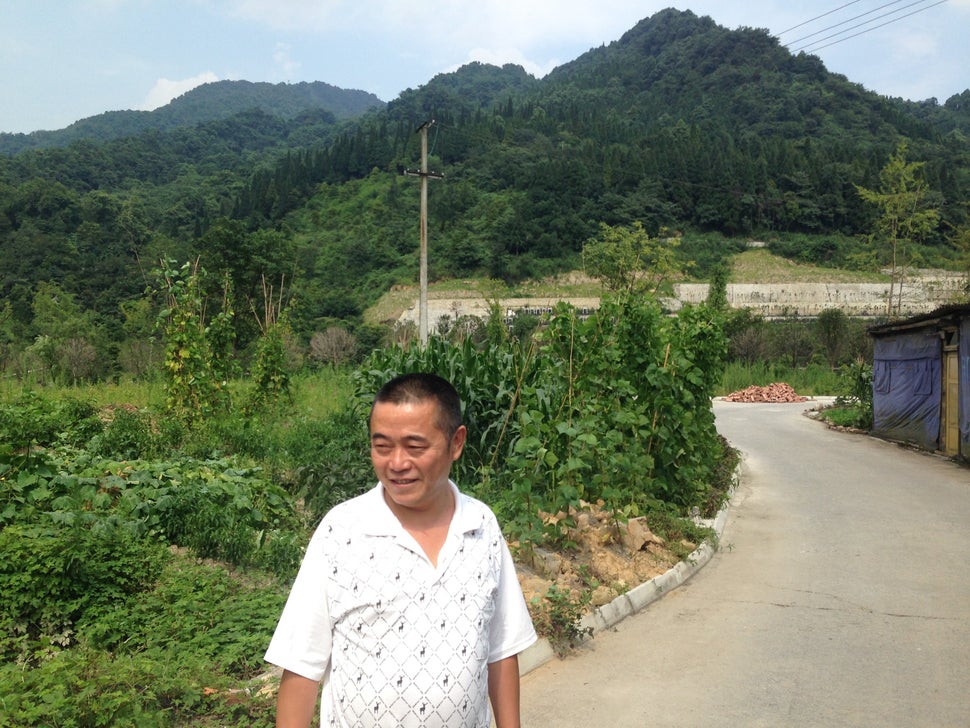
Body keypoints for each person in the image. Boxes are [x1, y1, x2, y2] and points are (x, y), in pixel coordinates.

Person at [264, 372, 537, 728]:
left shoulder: (481, 526)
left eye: (415, 446)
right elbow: (301, 665)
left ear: (456, 443)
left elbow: (500, 651)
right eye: (382, 446)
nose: (396, 463)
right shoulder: (342, 532)